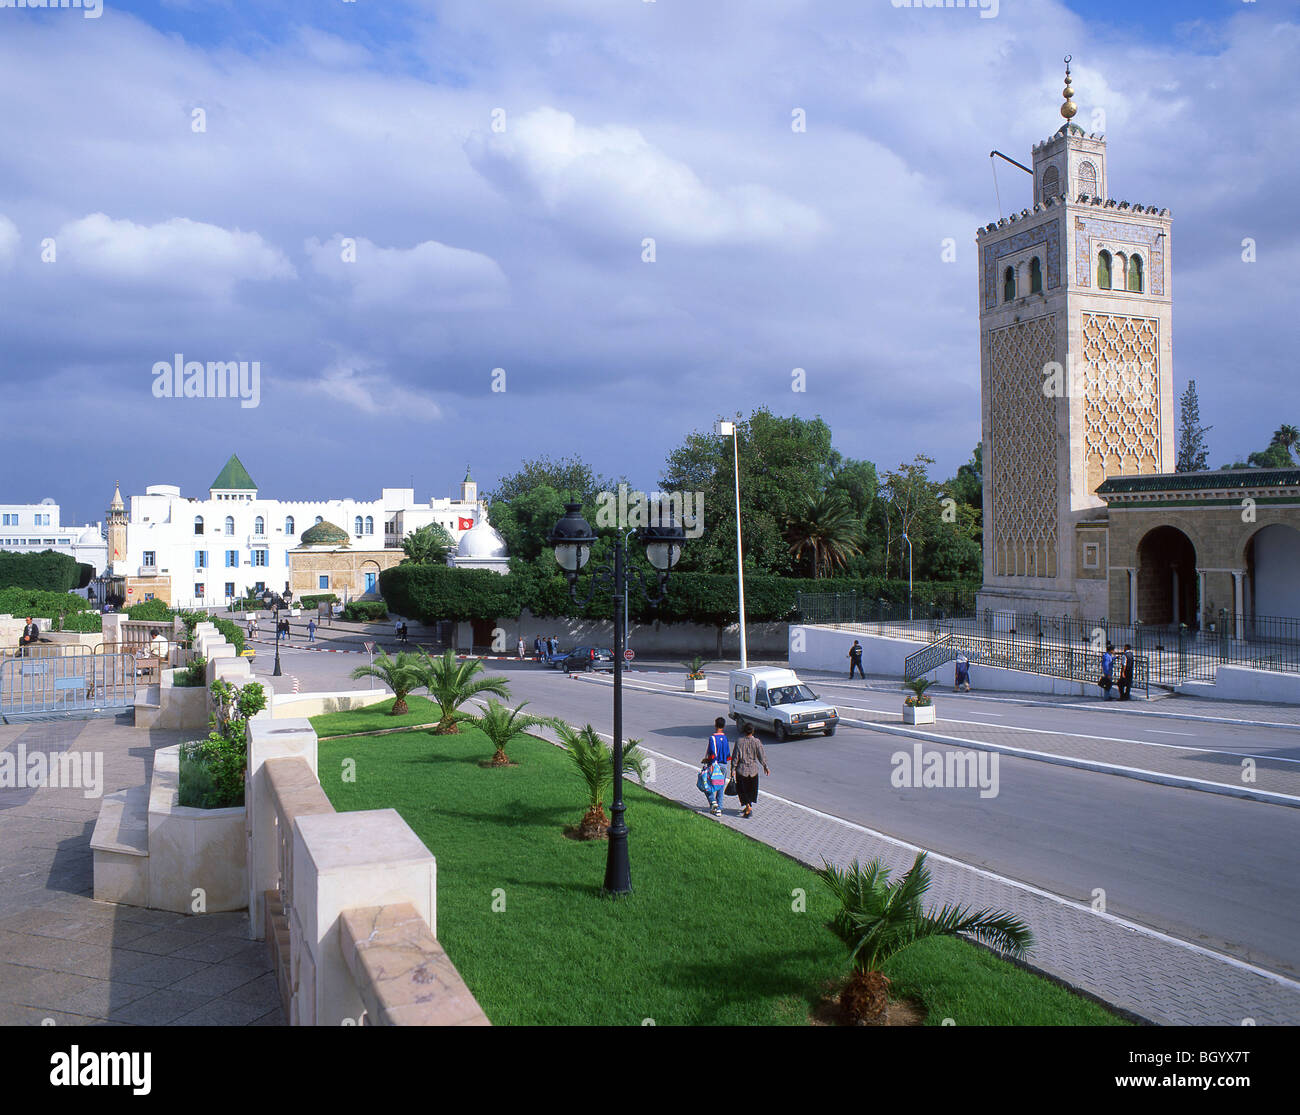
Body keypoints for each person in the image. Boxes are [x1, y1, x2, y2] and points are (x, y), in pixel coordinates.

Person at [732, 723, 770, 819]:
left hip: (741, 770)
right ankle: (748, 806)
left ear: (744, 731)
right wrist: (765, 766)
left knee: (742, 790)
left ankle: (748, 807)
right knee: (751, 790)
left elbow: (735, 757)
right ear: (753, 731)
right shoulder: (757, 742)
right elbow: (761, 755)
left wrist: (732, 769)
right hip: (753, 770)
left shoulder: (739, 742)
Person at [700, 717, 732, 816]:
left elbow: (713, 754)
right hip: (723, 765)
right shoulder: (725, 738)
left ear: (715, 725)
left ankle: (712, 801)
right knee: (720, 787)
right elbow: (728, 755)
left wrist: (707, 760)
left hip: (715, 765)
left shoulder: (712, 738)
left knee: (706, 784)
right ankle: (719, 809)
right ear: (724, 726)